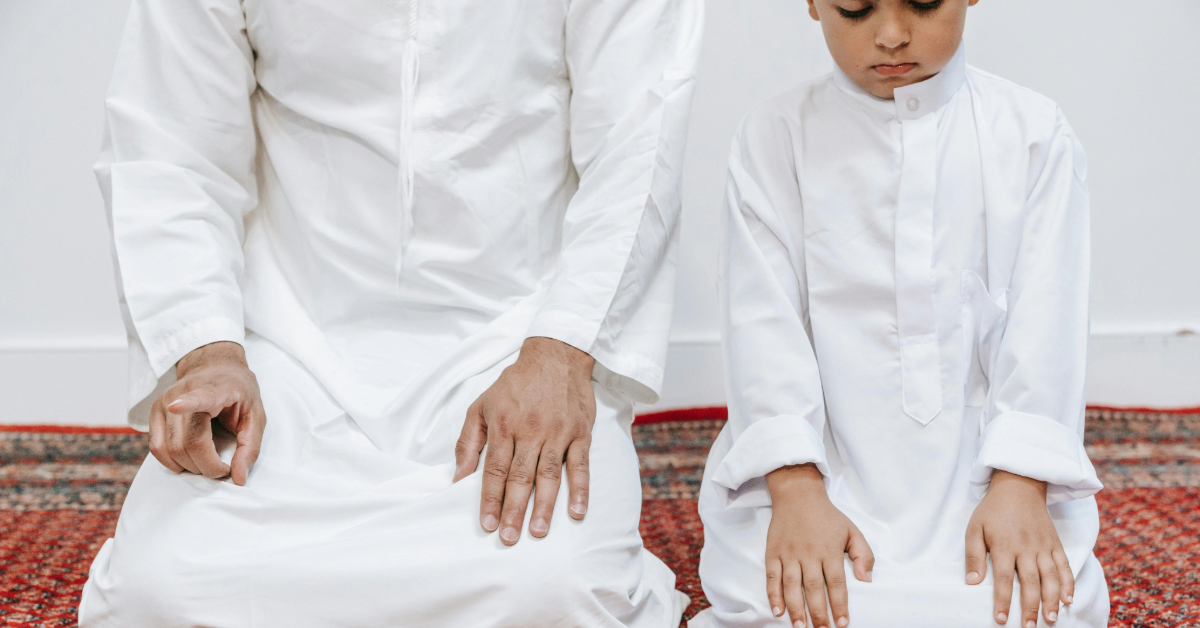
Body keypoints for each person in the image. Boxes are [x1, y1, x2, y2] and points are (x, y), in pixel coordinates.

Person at [79, 0, 703, 625]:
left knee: (554, 592)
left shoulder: (540, 358)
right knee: (154, 592)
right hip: (285, 351)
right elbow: (170, 151)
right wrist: (209, 352)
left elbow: (636, 146)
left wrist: (560, 355)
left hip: (518, 354)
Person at [693, 1, 1107, 627]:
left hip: (991, 477)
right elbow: (762, 327)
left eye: (922, 3)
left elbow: (1047, 324)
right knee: (783, 605)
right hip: (817, 474)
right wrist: (797, 489)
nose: (890, 35)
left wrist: (1021, 483)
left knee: (1031, 609)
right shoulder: (773, 136)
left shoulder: (1033, 134)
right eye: (856, 8)